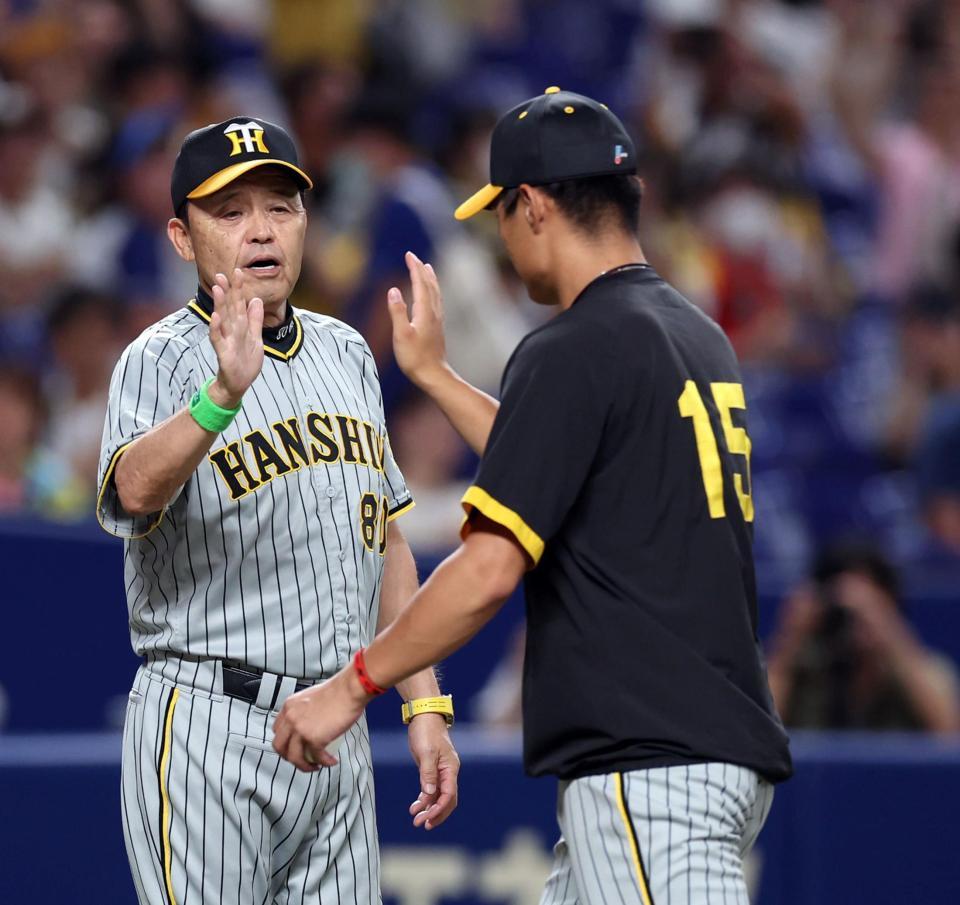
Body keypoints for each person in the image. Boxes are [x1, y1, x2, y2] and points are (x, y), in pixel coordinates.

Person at [272, 87, 793, 904]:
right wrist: (440, 380)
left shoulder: (576, 346)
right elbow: (558, 455)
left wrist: (350, 688)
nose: (505, 239)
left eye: (503, 215)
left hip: (649, 765)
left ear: (536, 205)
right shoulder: (696, 335)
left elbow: (486, 573)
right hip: (697, 750)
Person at [96, 116, 459, 905]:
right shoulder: (157, 357)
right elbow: (132, 491)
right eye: (230, 212)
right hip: (207, 726)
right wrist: (220, 398)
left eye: (281, 207)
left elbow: (384, 538)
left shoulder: (346, 351)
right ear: (182, 238)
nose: (260, 230)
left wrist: (424, 701)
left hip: (337, 726)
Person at [766, 542, 960, 732]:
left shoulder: (921, 668)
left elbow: (948, 732)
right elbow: (759, 734)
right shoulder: (802, 669)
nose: (858, 617)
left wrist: (890, 633)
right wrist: (790, 639)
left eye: (872, 604)